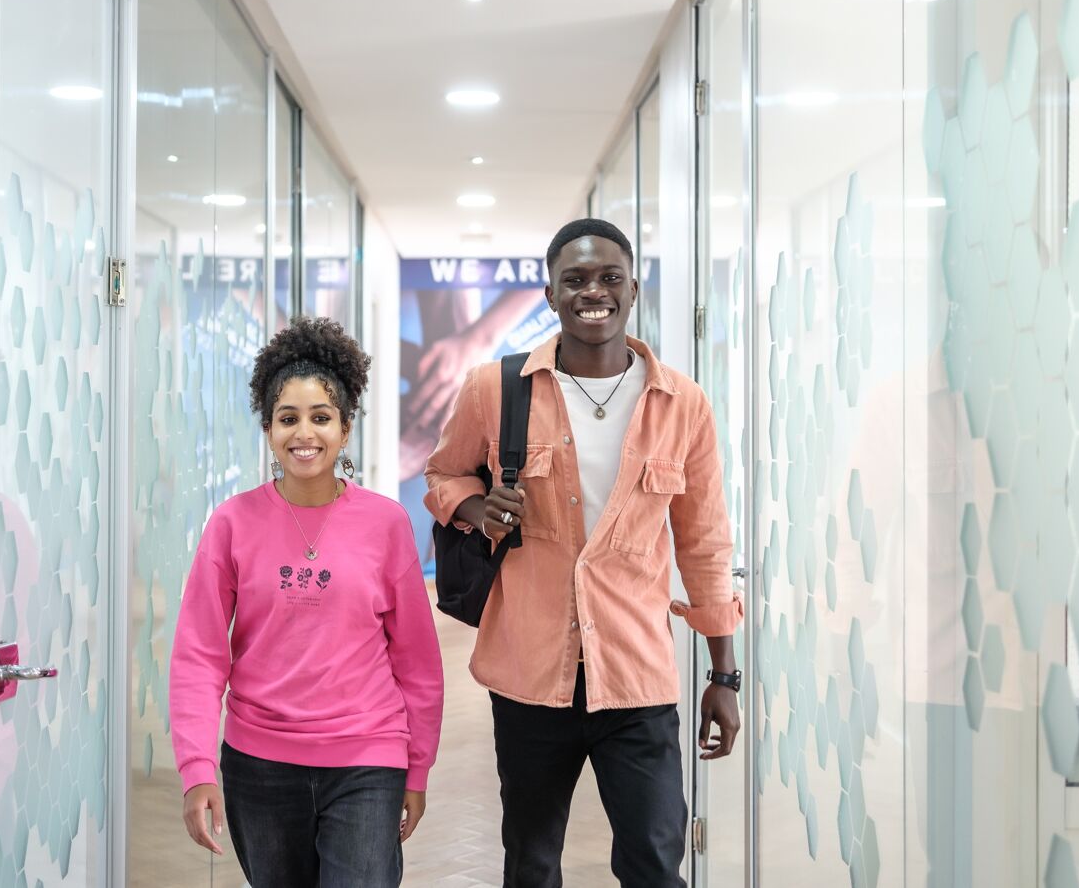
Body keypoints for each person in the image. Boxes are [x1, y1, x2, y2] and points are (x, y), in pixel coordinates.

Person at [424, 218, 744, 888]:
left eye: (608, 278)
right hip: (530, 674)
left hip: (636, 676)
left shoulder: (683, 404)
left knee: (655, 863)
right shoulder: (496, 387)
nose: (591, 291)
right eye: (574, 279)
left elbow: (704, 539)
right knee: (532, 863)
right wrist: (479, 508)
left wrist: (724, 675)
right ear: (549, 293)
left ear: (633, 289)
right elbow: (444, 474)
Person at [171, 316, 444, 887]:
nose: (305, 433)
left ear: (346, 429)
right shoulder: (231, 524)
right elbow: (198, 655)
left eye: (321, 418)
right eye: (287, 418)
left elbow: (417, 664)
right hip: (259, 765)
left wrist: (416, 769)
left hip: (367, 758)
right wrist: (197, 768)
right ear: (268, 428)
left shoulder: (387, 524)